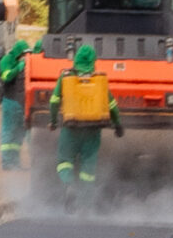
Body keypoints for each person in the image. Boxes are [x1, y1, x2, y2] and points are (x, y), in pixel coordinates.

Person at [45, 43, 123, 205]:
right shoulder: (98, 79)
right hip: (93, 132)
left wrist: (53, 121)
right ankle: (85, 202)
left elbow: (53, 101)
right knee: (88, 167)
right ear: (94, 60)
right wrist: (118, 126)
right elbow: (112, 106)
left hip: (70, 129)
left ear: (76, 59)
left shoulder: (66, 77)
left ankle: (68, 183)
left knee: (64, 160)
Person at [0, 31, 39, 171]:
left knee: (20, 133)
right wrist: (18, 68)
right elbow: (6, 76)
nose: (25, 57)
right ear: (18, 54)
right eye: (23, 55)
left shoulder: (29, 61)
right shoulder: (6, 61)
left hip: (22, 102)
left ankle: (15, 162)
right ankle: (7, 162)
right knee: (9, 132)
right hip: (10, 102)